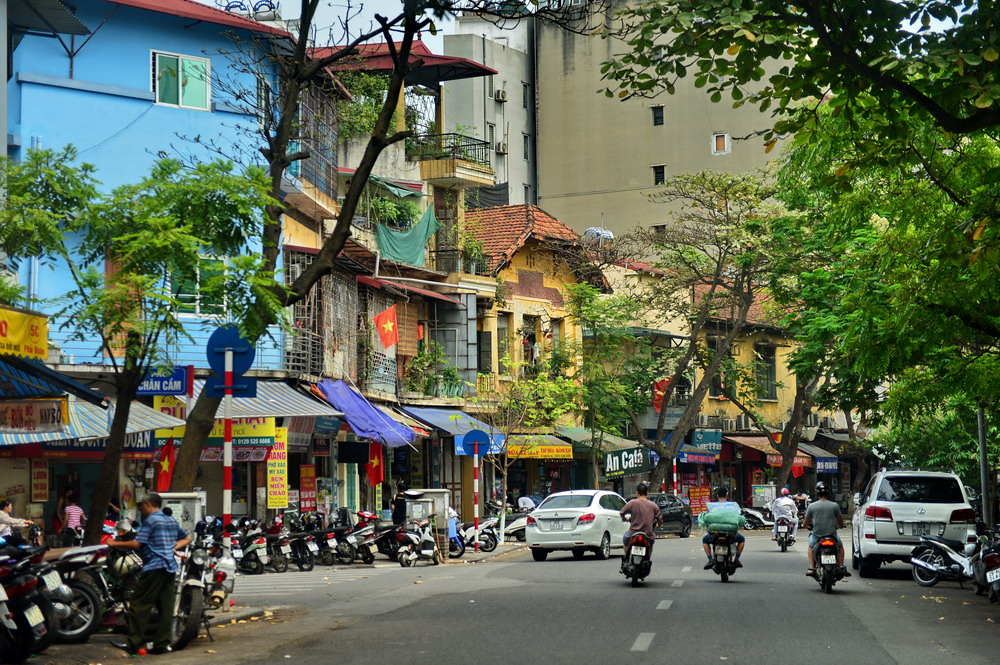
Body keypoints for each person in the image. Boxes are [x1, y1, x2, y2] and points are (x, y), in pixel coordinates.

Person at [107, 492, 191, 656]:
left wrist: (115, 543)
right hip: (170, 567)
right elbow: (187, 538)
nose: (141, 509)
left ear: (148, 504)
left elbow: (137, 544)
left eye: (141, 506)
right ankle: (161, 644)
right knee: (165, 607)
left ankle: (133, 644)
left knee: (139, 604)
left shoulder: (151, 520)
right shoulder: (169, 520)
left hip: (154, 566)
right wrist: (173, 547)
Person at [801, 481, 850, 578]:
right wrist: (839, 526)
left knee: (811, 546)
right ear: (828, 493)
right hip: (832, 536)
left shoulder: (812, 506)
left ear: (817, 493)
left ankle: (811, 568)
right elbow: (840, 522)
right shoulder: (834, 505)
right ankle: (840, 565)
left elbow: (805, 523)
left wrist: (805, 526)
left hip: (817, 536)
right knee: (840, 547)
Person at [698, 485, 746, 569]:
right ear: (727, 495)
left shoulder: (711, 506)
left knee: (705, 540)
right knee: (742, 539)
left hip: (715, 533)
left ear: (717, 495)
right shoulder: (733, 505)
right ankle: (737, 559)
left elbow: (706, 517)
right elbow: (739, 516)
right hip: (730, 533)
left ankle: (710, 559)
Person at [619, 482, 662, 557]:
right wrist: (659, 525)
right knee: (650, 544)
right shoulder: (653, 505)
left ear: (637, 493)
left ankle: (626, 557)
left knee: (625, 541)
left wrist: (625, 518)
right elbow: (660, 519)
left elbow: (622, 513)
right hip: (648, 534)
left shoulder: (632, 503)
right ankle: (648, 558)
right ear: (647, 493)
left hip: (633, 533)